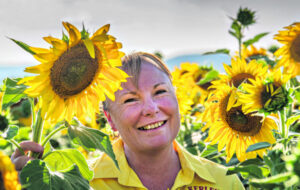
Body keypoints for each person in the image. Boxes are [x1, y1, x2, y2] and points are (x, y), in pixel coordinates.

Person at [11, 52, 245, 190]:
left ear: (177, 99)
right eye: (131, 100)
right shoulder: (84, 183)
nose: (151, 109)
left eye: (160, 92)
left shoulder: (224, 182)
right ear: (110, 120)